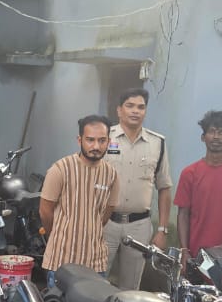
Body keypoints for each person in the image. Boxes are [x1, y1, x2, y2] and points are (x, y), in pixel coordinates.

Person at [40, 115, 121, 285]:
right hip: (61, 261)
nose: (96, 146)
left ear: (108, 141)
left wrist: (89, 228)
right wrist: (59, 236)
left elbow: (106, 213)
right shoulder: (60, 169)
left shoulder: (111, 174)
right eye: (90, 140)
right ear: (79, 140)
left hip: (95, 263)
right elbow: (45, 211)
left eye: (102, 140)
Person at [104, 88, 172, 289]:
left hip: (138, 226)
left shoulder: (157, 143)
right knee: (95, 279)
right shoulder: (104, 137)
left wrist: (162, 230)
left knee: (130, 286)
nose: (135, 111)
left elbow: (164, 187)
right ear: (119, 110)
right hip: (105, 223)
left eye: (141, 107)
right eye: (130, 106)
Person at [174, 110, 222, 258]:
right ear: (203, 137)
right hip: (194, 255)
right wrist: (184, 250)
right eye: (211, 131)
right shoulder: (189, 173)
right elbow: (183, 214)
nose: (216, 136)